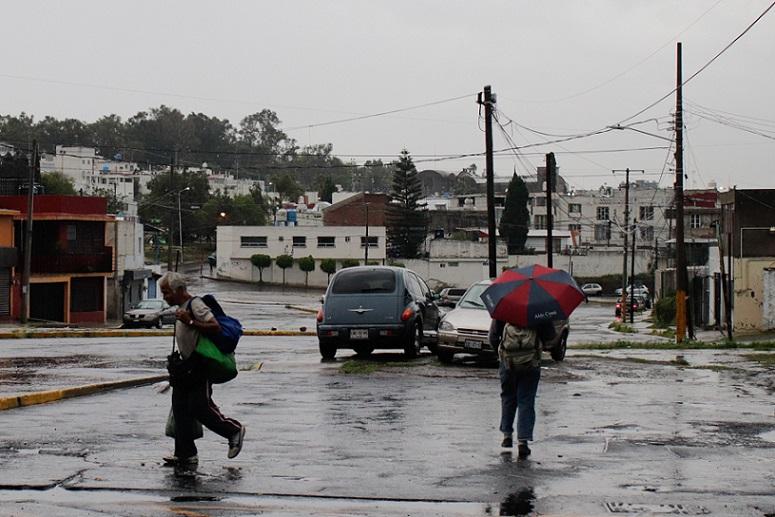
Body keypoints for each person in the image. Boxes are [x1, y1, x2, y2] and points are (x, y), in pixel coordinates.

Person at [160, 271, 246, 468]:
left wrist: (189, 320)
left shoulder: (195, 305)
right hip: (184, 368)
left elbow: (214, 326)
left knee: (199, 407)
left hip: (199, 366)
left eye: (166, 292)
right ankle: (185, 453)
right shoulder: (181, 307)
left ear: (179, 290)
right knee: (180, 409)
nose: (164, 297)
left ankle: (233, 431)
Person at [489, 318, 555, 459]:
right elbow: (550, 336)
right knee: (526, 400)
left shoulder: (504, 308)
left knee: (508, 397)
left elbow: (493, 337)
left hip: (507, 362)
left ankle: (507, 435)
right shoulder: (539, 311)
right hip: (531, 362)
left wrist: (501, 354)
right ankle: (523, 441)